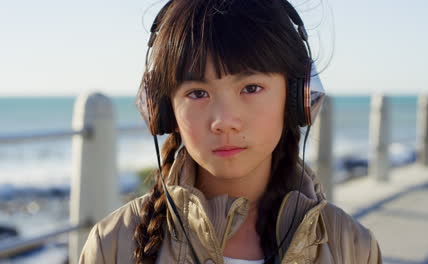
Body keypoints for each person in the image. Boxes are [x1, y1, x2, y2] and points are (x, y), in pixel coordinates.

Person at [79, 0, 382, 263]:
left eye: (251, 88)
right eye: (197, 93)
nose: (224, 121)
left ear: (297, 98)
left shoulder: (351, 246)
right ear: (162, 107)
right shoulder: (113, 244)